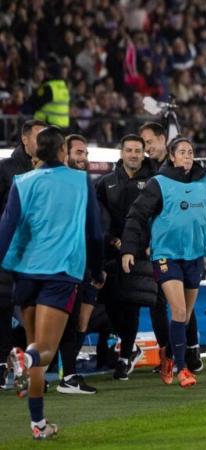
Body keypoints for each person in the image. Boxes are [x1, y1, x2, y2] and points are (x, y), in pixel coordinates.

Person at [120, 137, 206, 388]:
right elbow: (136, 215)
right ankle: (182, 369)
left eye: (190, 151)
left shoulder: (204, 182)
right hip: (166, 255)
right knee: (180, 310)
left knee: (183, 318)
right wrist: (128, 249)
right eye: (182, 152)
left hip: (194, 255)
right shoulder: (158, 183)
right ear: (171, 156)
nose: (187, 155)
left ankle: (168, 357)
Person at [1, 126, 104, 439]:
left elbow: (6, 229)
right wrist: (97, 270)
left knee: (35, 343)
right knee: (43, 351)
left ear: (37, 152)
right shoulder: (80, 181)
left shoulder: (22, 181)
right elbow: (95, 233)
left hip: (25, 274)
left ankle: (38, 423)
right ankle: (21, 357)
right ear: (62, 151)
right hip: (60, 273)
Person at [138, 122, 202, 374]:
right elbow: (142, 211)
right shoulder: (147, 169)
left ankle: (189, 349)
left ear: (163, 140)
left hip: (188, 248)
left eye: (149, 142)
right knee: (160, 302)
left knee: (184, 303)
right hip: (161, 249)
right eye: (143, 144)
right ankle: (172, 353)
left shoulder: (191, 173)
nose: (146, 148)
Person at [95, 134, 158, 381]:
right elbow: (98, 220)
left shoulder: (154, 182)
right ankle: (127, 348)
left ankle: (123, 358)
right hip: (111, 254)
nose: (133, 154)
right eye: (129, 150)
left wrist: (149, 243)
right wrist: (112, 240)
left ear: (143, 153)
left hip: (141, 253)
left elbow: (157, 217)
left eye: (137, 150)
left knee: (132, 305)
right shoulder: (105, 183)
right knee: (110, 304)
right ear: (121, 153)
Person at [0, 119, 46, 390]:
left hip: (39, 256)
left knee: (36, 313)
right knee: (5, 311)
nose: (41, 143)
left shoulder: (48, 171)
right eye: (38, 137)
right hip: (10, 254)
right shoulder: (6, 169)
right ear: (24, 139)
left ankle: (27, 367)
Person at [55, 134, 99, 394]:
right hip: (65, 265)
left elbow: (95, 230)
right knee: (63, 323)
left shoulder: (85, 183)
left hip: (80, 266)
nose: (83, 158)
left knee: (78, 322)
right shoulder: (73, 184)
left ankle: (67, 375)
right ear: (65, 153)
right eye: (79, 153)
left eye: (85, 154)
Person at [24, 56, 70, 129]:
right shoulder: (63, 86)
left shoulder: (49, 87)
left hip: (50, 125)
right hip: (63, 125)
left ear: (50, 74)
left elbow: (35, 102)